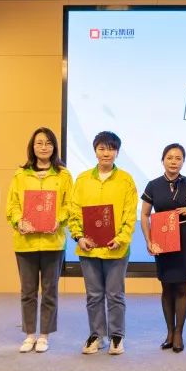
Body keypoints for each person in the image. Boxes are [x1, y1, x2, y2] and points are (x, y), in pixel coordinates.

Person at [67, 131, 137, 356]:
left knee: (115, 294)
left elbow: (129, 214)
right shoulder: (82, 179)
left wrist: (121, 238)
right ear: (95, 151)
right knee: (94, 295)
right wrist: (79, 237)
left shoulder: (126, 180)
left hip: (116, 248)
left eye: (111, 149)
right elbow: (73, 211)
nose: (106, 153)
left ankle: (117, 335)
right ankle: (97, 334)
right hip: (88, 248)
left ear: (117, 152)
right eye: (102, 148)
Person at [5, 128, 72, 354]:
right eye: (39, 143)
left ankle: (44, 335)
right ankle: (29, 334)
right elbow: (12, 205)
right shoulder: (20, 175)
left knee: (50, 290)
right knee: (28, 291)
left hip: (53, 242)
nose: (44, 147)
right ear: (32, 147)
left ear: (54, 147)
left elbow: (69, 205)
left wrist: (58, 220)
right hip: (26, 242)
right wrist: (19, 221)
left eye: (48, 143)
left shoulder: (63, 175)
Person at [140, 143, 186, 353]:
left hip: (185, 238)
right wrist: (148, 240)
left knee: (182, 287)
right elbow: (145, 215)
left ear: (183, 161)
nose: (173, 162)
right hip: (162, 238)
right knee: (167, 287)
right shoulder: (153, 185)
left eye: (178, 158)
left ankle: (178, 333)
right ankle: (169, 331)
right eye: (169, 157)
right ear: (163, 160)